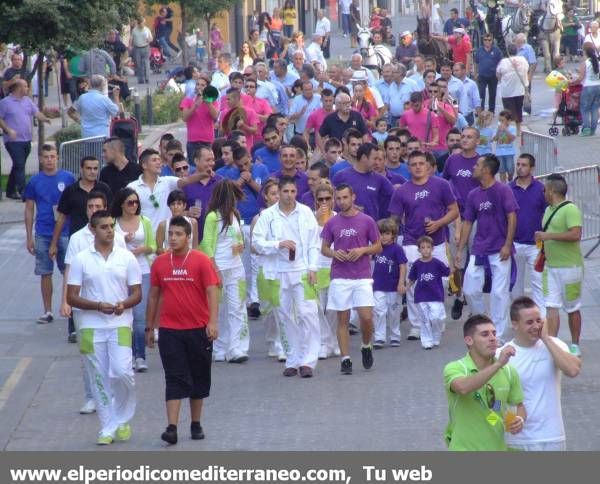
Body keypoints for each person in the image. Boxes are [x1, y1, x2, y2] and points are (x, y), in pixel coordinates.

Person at [67, 210, 142, 445]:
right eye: (104, 227)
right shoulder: (82, 259)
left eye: (112, 226)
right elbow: (72, 297)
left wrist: (123, 304)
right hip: (90, 326)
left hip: (120, 323)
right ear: (93, 229)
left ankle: (122, 417)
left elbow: (137, 293)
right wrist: (98, 306)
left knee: (121, 372)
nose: (109, 230)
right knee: (99, 377)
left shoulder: (126, 257)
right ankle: (107, 427)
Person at [146, 216, 219, 445]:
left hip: (198, 328)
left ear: (188, 237)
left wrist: (213, 322)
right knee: (174, 377)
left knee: (199, 377)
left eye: (178, 234)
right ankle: (171, 427)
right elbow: (154, 295)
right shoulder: (160, 263)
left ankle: (195, 423)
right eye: (171, 234)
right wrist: (150, 327)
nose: (173, 238)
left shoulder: (201, 260)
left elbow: (211, 292)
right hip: (170, 330)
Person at [61, 192, 127, 412]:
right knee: (89, 355)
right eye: (90, 206)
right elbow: (69, 271)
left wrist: (125, 303)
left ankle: (113, 397)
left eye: (97, 206)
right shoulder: (77, 238)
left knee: (115, 360)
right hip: (85, 311)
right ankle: (92, 396)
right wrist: (65, 301)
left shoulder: (116, 237)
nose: (93, 209)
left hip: (114, 312)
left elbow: (125, 269)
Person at [252, 177, 321, 378]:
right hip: (277, 272)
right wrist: (278, 244)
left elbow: (314, 244)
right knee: (284, 316)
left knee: (307, 314)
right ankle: (292, 359)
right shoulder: (268, 215)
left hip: (302, 270)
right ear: (279, 192)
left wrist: (313, 267)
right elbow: (256, 243)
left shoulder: (306, 212)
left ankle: (308, 360)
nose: (289, 195)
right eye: (285, 191)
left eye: (293, 191)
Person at [388, 150, 457, 340]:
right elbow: (394, 217)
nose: (418, 167)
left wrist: (439, 223)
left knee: (440, 281)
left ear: (428, 165)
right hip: (411, 242)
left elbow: (454, 211)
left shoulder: (441, 185)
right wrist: (390, 235)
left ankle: (436, 318)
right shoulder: (402, 190)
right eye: (413, 164)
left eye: (421, 163)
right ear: (408, 168)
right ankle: (417, 324)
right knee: (413, 283)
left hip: (438, 242)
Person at [500, 297, 581, 451]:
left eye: (539, 320)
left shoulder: (555, 345)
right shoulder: (501, 355)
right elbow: (492, 398)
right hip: (518, 440)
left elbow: (573, 370)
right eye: (529, 322)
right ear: (514, 324)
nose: (536, 326)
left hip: (552, 437)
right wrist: (502, 421)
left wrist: (546, 339)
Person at [456, 154, 519, 341]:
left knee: (499, 293)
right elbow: (467, 222)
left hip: (500, 249)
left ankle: (497, 335)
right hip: (479, 249)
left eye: (477, 165)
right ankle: (485, 321)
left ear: (486, 170)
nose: (473, 168)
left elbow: (512, 217)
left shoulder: (503, 190)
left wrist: (508, 245)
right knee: (469, 289)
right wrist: (460, 250)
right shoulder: (473, 194)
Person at [321, 183, 381, 374]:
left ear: (353, 197)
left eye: (345, 197)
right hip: (340, 276)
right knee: (343, 318)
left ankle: (365, 345)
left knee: (366, 317)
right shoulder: (332, 222)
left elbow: (378, 246)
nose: (341, 202)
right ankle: (345, 359)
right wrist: (334, 254)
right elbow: (324, 248)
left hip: (362, 274)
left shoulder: (367, 220)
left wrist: (363, 250)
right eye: (338, 198)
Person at [443, 314, 526, 451]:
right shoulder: (455, 368)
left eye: (494, 333)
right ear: (469, 340)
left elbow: (520, 406)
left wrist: (519, 419)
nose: (493, 338)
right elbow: (463, 388)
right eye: (485, 334)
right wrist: (498, 364)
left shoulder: (509, 371)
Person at [23, 144, 76, 324]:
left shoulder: (68, 178)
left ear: (57, 158)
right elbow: (29, 209)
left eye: (52, 156)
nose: (49, 160)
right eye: (46, 157)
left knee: (68, 270)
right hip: (43, 232)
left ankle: (71, 307)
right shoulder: (34, 181)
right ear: (40, 159)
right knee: (45, 272)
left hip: (65, 231)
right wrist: (29, 236)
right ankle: (47, 311)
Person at [535, 174, 584, 356]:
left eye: (545, 189)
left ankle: (575, 344)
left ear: (552, 190)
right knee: (551, 306)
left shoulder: (570, 209)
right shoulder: (548, 210)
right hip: (551, 267)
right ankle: (553, 344)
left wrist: (548, 236)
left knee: (572, 307)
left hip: (570, 268)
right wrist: (542, 253)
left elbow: (575, 235)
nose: (543, 192)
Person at [200, 180, 249, 363]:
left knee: (237, 308)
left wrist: (240, 245)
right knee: (218, 309)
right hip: (219, 267)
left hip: (236, 268)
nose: (236, 200)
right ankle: (219, 347)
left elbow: (238, 238)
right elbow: (207, 245)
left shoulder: (234, 215)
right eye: (234, 196)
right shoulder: (213, 217)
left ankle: (236, 347)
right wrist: (215, 271)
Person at [111, 188, 156, 373]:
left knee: (138, 316)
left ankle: (140, 356)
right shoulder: (113, 223)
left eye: (136, 202)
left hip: (142, 271)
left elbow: (153, 246)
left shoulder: (144, 221)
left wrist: (140, 250)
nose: (134, 205)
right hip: (120, 273)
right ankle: (126, 354)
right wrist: (123, 243)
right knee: (122, 315)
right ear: (122, 203)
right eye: (130, 202)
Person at [127, 148, 206, 232]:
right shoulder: (132, 188)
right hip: (145, 239)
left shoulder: (167, 181)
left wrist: (204, 174)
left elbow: (186, 180)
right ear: (144, 165)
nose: (158, 162)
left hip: (167, 238)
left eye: (159, 160)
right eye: (154, 160)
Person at [50, 156, 112, 262]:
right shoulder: (70, 191)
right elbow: (61, 218)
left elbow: (112, 215)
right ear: (81, 169)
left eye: (95, 168)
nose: (92, 171)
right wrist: (54, 244)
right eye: (88, 168)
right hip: (77, 241)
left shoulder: (104, 189)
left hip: (101, 239)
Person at [0, 79, 51, 199]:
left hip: (26, 139)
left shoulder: (27, 101)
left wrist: (46, 118)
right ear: (18, 88)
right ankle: (24, 191)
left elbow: (36, 113)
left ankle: (10, 191)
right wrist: (8, 130)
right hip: (13, 141)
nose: (28, 88)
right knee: (19, 164)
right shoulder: (5, 102)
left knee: (18, 165)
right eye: (26, 86)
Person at [510, 154, 546, 315]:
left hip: (535, 246)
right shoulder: (508, 189)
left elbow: (548, 214)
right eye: (518, 164)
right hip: (514, 244)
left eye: (524, 165)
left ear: (532, 168)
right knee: (515, 286)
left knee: (538, 283)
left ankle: (542, 321)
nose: (520, 167)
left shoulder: (541, 189)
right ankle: (519, 318)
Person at [332, 142, 394, 222]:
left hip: (370, 229)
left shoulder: (379, 179)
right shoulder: (340, 176)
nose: (376, 162)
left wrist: (388, 221)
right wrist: (349, 207)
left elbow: (396, 198)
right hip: (343, 227)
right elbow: (331, 201)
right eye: (374, 159)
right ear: (364, 157)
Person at [407, 235, 450, 349]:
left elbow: (447, 272)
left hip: (436, 295)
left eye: (428, 247)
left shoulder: (437, 263)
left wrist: (454, 266)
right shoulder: (417, 264)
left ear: (432, 249)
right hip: (421, 296)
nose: (425, 249)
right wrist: (406, 287)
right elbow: (412, 278)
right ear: (419, 250)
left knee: (437, 318)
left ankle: (436, 336)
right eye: (423, 247)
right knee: (424, 319)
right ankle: (427, 341)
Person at [372, 218, 407, 348]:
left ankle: (395, 335)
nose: (383, 237)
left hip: (393, 287)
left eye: (387, 233)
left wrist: (401, 283)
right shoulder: (376, 248)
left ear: (393, 234)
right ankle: (379, 337)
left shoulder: (397, 249)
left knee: (394, 313)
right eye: (380, 233)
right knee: (379, 311)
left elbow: (403, 266)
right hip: (378, 286)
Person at [180, 79, 219, 158]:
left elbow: (215, 116)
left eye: (202, 85)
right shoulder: (188, 100)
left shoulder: (212, 101)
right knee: (193, 167)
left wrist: (208, 103)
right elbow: (184, 118)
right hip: (193, 141)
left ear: (207, 87)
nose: (199, 87)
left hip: (207, 141)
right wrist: (195, 105)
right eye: (197, 84)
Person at [496, 44, 528, 135]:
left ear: (508, 52)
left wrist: (502, 81)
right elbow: (526, 70)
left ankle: (509, 130)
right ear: (516, 51)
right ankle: (518, 130)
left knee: (508, 112)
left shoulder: (503, 61)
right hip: (520, 89)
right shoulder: (523, 60)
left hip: (507, 91)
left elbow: (498, 74)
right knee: (519, 110)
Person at [573, 46, 600, 136]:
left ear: (586, 53)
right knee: (595, 108)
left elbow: (581, 78)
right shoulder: (598, 62)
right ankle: (593, 129)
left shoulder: (585, 63)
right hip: (598, 86)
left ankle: (586, 128)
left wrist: (571, 83)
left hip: (588, 87)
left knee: (584, 108)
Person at [475, 34, 503, 114]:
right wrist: (475, 73)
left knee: (492, 94)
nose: (487, 41)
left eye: (489, 40)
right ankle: (481, 111)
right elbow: (476, 62)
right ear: (483, 41)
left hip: (493, 76)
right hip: (482, 76)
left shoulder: (496, 50)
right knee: (481, 94)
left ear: (492, 41)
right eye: (485, 40)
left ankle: (491, 111)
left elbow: (501, 62)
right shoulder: (479, 50)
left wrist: (499, 72)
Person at [493, 110, 517, 182]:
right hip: (499, 153)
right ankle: (503, 185)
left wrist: (505, 130)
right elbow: (495, 139)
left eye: (502, 120)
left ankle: (510, 177)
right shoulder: (497, 128)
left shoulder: (512, 128)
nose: (500, 122)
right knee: (501, 170)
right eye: (499, 120)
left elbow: (512, 138)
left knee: (510, 169)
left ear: (508, 121)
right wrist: (498, 131)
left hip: (509, 152)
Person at [130, 16, 153, 84]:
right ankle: (140, 79)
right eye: (143, 23)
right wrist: (130, 45)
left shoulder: (147, 29)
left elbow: (151, 38)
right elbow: (131, 38)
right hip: (137, 48)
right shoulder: (134, 30)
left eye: (144, 23)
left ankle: (147, 78)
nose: (144, 24)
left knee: (146, 63)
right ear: (139, 23)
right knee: (138, 64)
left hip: (146, 47)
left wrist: (149, 40)